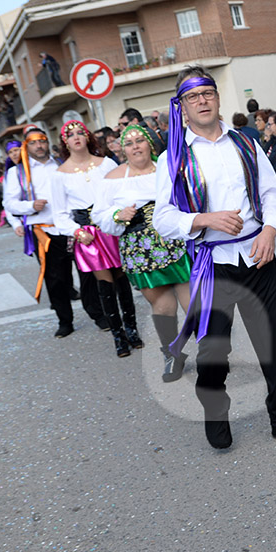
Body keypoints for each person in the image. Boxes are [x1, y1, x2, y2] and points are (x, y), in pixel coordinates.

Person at [153, 65, 276, 450]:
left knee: (274, 342)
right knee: (213, 349)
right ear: (182, 107)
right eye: (193, 96)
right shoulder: (173, 158)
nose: (202, 101)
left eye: (207, 92)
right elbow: (163, 218)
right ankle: (215, 411)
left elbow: (273, 193)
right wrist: (203, 219)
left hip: (257, 256)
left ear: (217, 97)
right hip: (213, 265)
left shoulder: (244, 142)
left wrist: (271, 229)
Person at [92, 124, 192, 382]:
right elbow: (99, 214)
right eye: (129, 142)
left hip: (175, 241)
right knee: (162, 305)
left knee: (194, 303)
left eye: (140, 140)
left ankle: (213, 351)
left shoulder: (169, 169)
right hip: (140, 249)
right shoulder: (113, 178)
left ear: (150, 143)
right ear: (123, 150)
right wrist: (118, 215)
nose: (135, 146)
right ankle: (172, 355)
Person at [51, 120, 141, 357]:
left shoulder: (107, 164)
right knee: (105, 283)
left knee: (122, 279)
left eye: (81, 132)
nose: (77, 137)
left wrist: (121, 215)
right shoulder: (59, 175)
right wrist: (77, 232)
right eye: (71, 135)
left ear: (88, 137)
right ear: (65, 142)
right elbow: (60, 215)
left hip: (112, 226)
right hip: (88, 235)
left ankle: (131, 329)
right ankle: (118, 335)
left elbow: (122, 192)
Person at [2, 125, 76, 338]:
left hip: (70, 227)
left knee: (87, 272)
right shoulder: (18, 173)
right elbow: (10, 203)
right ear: (27, 145)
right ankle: (65, 321)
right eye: (33, 142)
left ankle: (98, 313)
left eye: (42, 140)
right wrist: (30, 206)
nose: (39, 145)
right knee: (55, 278)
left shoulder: (61, 164)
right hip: (43, 231)